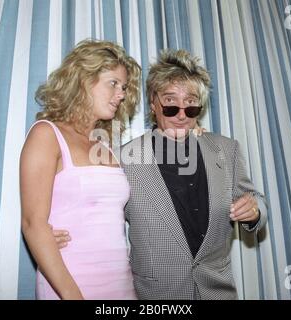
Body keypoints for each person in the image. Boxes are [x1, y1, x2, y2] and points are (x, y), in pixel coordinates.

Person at [55, 49, 267, 300]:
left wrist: (254, 213)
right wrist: (50, 232)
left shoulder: (226, 149)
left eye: (190, 105)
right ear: (154, 103)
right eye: (170, 104)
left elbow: (254, 200)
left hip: (218, 292)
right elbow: (96, 212)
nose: (180, 115)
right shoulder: (121, 160)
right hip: (157, 296)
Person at [20, 39, 141, 300]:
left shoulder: (105, 146)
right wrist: (73, 296)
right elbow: (32, 224)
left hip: (121, 285)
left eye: (124, 87)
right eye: (113, 83)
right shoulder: (47, 134)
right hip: (71, 284)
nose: (120, 94)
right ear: (85, 80)